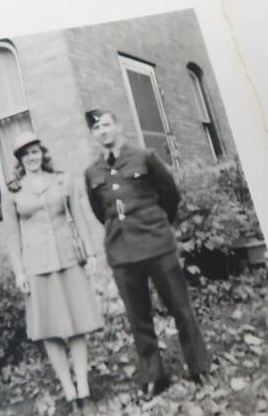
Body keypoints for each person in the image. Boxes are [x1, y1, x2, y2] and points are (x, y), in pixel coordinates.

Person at [83, 109, 211, 399]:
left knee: (180, 307)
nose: (102, 131)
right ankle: (155, 376)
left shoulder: (145, 157)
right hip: (122, 253)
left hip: (157, 245)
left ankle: (199, 366)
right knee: (138, 317)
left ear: (116, 126)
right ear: (93, 135)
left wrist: (157, 224)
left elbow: (171, 195)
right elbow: (100, 212)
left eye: (106, 124)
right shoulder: (92, 172)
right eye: (97, 128)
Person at [2, 130, 103, 407]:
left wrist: (91, 252)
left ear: (42, 153)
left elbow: (79, 218)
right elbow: (12, 236)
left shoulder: (61, 180)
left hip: (68, 258)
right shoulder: (13, 192)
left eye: (35, 151)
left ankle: (83, 388)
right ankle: (69, 391)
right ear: (19, 160)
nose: (32, 157)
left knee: (78, 322)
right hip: (37, 266)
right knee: (49, 329)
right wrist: (19, 271)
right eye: (25, 154)